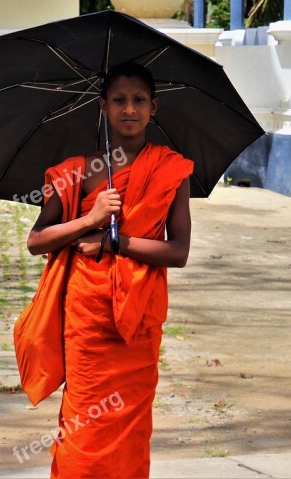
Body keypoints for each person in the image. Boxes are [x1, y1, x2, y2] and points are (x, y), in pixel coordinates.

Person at [25, 62, 194, 478]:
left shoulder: (171, 170)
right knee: (85, 431)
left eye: (139, 100)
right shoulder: (80, 171)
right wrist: (90, 219)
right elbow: (37, 240)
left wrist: (116, 242)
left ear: (154, 107)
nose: (129, 109)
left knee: (131, 432)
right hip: (88, 320)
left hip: (138, 322)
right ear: (103, 107)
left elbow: (178, 251)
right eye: (119, 100)